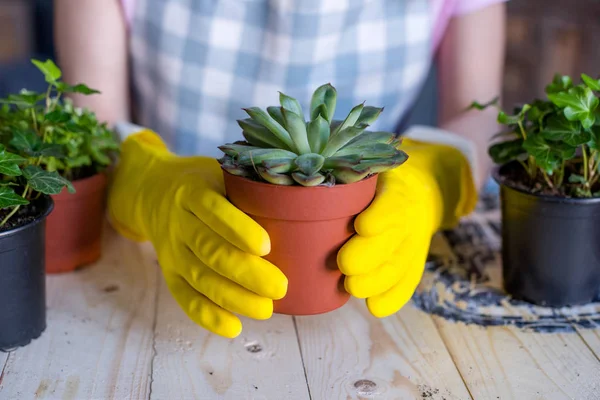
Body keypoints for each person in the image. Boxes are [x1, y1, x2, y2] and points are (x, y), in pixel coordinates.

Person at [53, 0, 506, 338]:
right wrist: (145, 180)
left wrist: (434, 175)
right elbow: (89, 117)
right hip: (162, 261)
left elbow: (479, 109)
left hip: (376, 261)